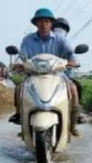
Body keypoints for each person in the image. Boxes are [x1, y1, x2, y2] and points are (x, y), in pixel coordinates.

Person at [10, 8, 81, 136]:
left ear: (51, 24)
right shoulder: (28, 40)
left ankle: (74, 122)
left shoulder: (60, 39)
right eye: (40, 22)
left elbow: (71, 54)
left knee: (73, 89)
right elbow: (22, 55)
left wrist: (73, 62)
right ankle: (20, 117)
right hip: (33, 75)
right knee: (19, 89)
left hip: (57, 75)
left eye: (47, 21)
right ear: (35, 24)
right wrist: (18, 63)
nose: (43, 24)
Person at [54, 16, 85, 123]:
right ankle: (23, 113)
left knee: (77, 86)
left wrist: (75, 63)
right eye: (57, 27)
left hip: (63, 77)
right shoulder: (44, 42)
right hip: (44, 75)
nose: (59, 30)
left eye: (61, 28)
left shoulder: (67, 43)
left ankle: (76, 112)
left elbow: (73, 56)